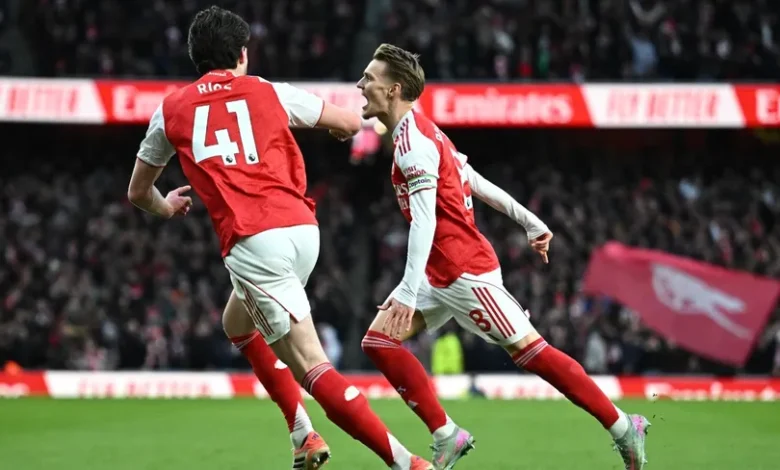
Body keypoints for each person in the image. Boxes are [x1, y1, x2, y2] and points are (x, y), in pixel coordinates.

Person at [127, 8, 433, 470]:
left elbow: (138, 192)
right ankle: (302, 434)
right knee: (237, 323)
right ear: (242, 54)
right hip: (303, 231)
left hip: (254, 242)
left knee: (312, 365)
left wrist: (165, 206)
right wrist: (335, 127)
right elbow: (351, 123)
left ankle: (407, 463)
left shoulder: (170, 110)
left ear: (195, 58)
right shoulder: (269, 90)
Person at [357, 43, 651, 470]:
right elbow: (472, 180)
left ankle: (624, 426)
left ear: (394, 89)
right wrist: (530, 221)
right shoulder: (423, 131)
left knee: (533, 352)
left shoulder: (413, 143)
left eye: (369, 78)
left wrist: (405, 290)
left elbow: (425, 222)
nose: (361, 84)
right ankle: (446, 434)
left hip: (464, 273)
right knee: (379, 341)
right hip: (439, 273)